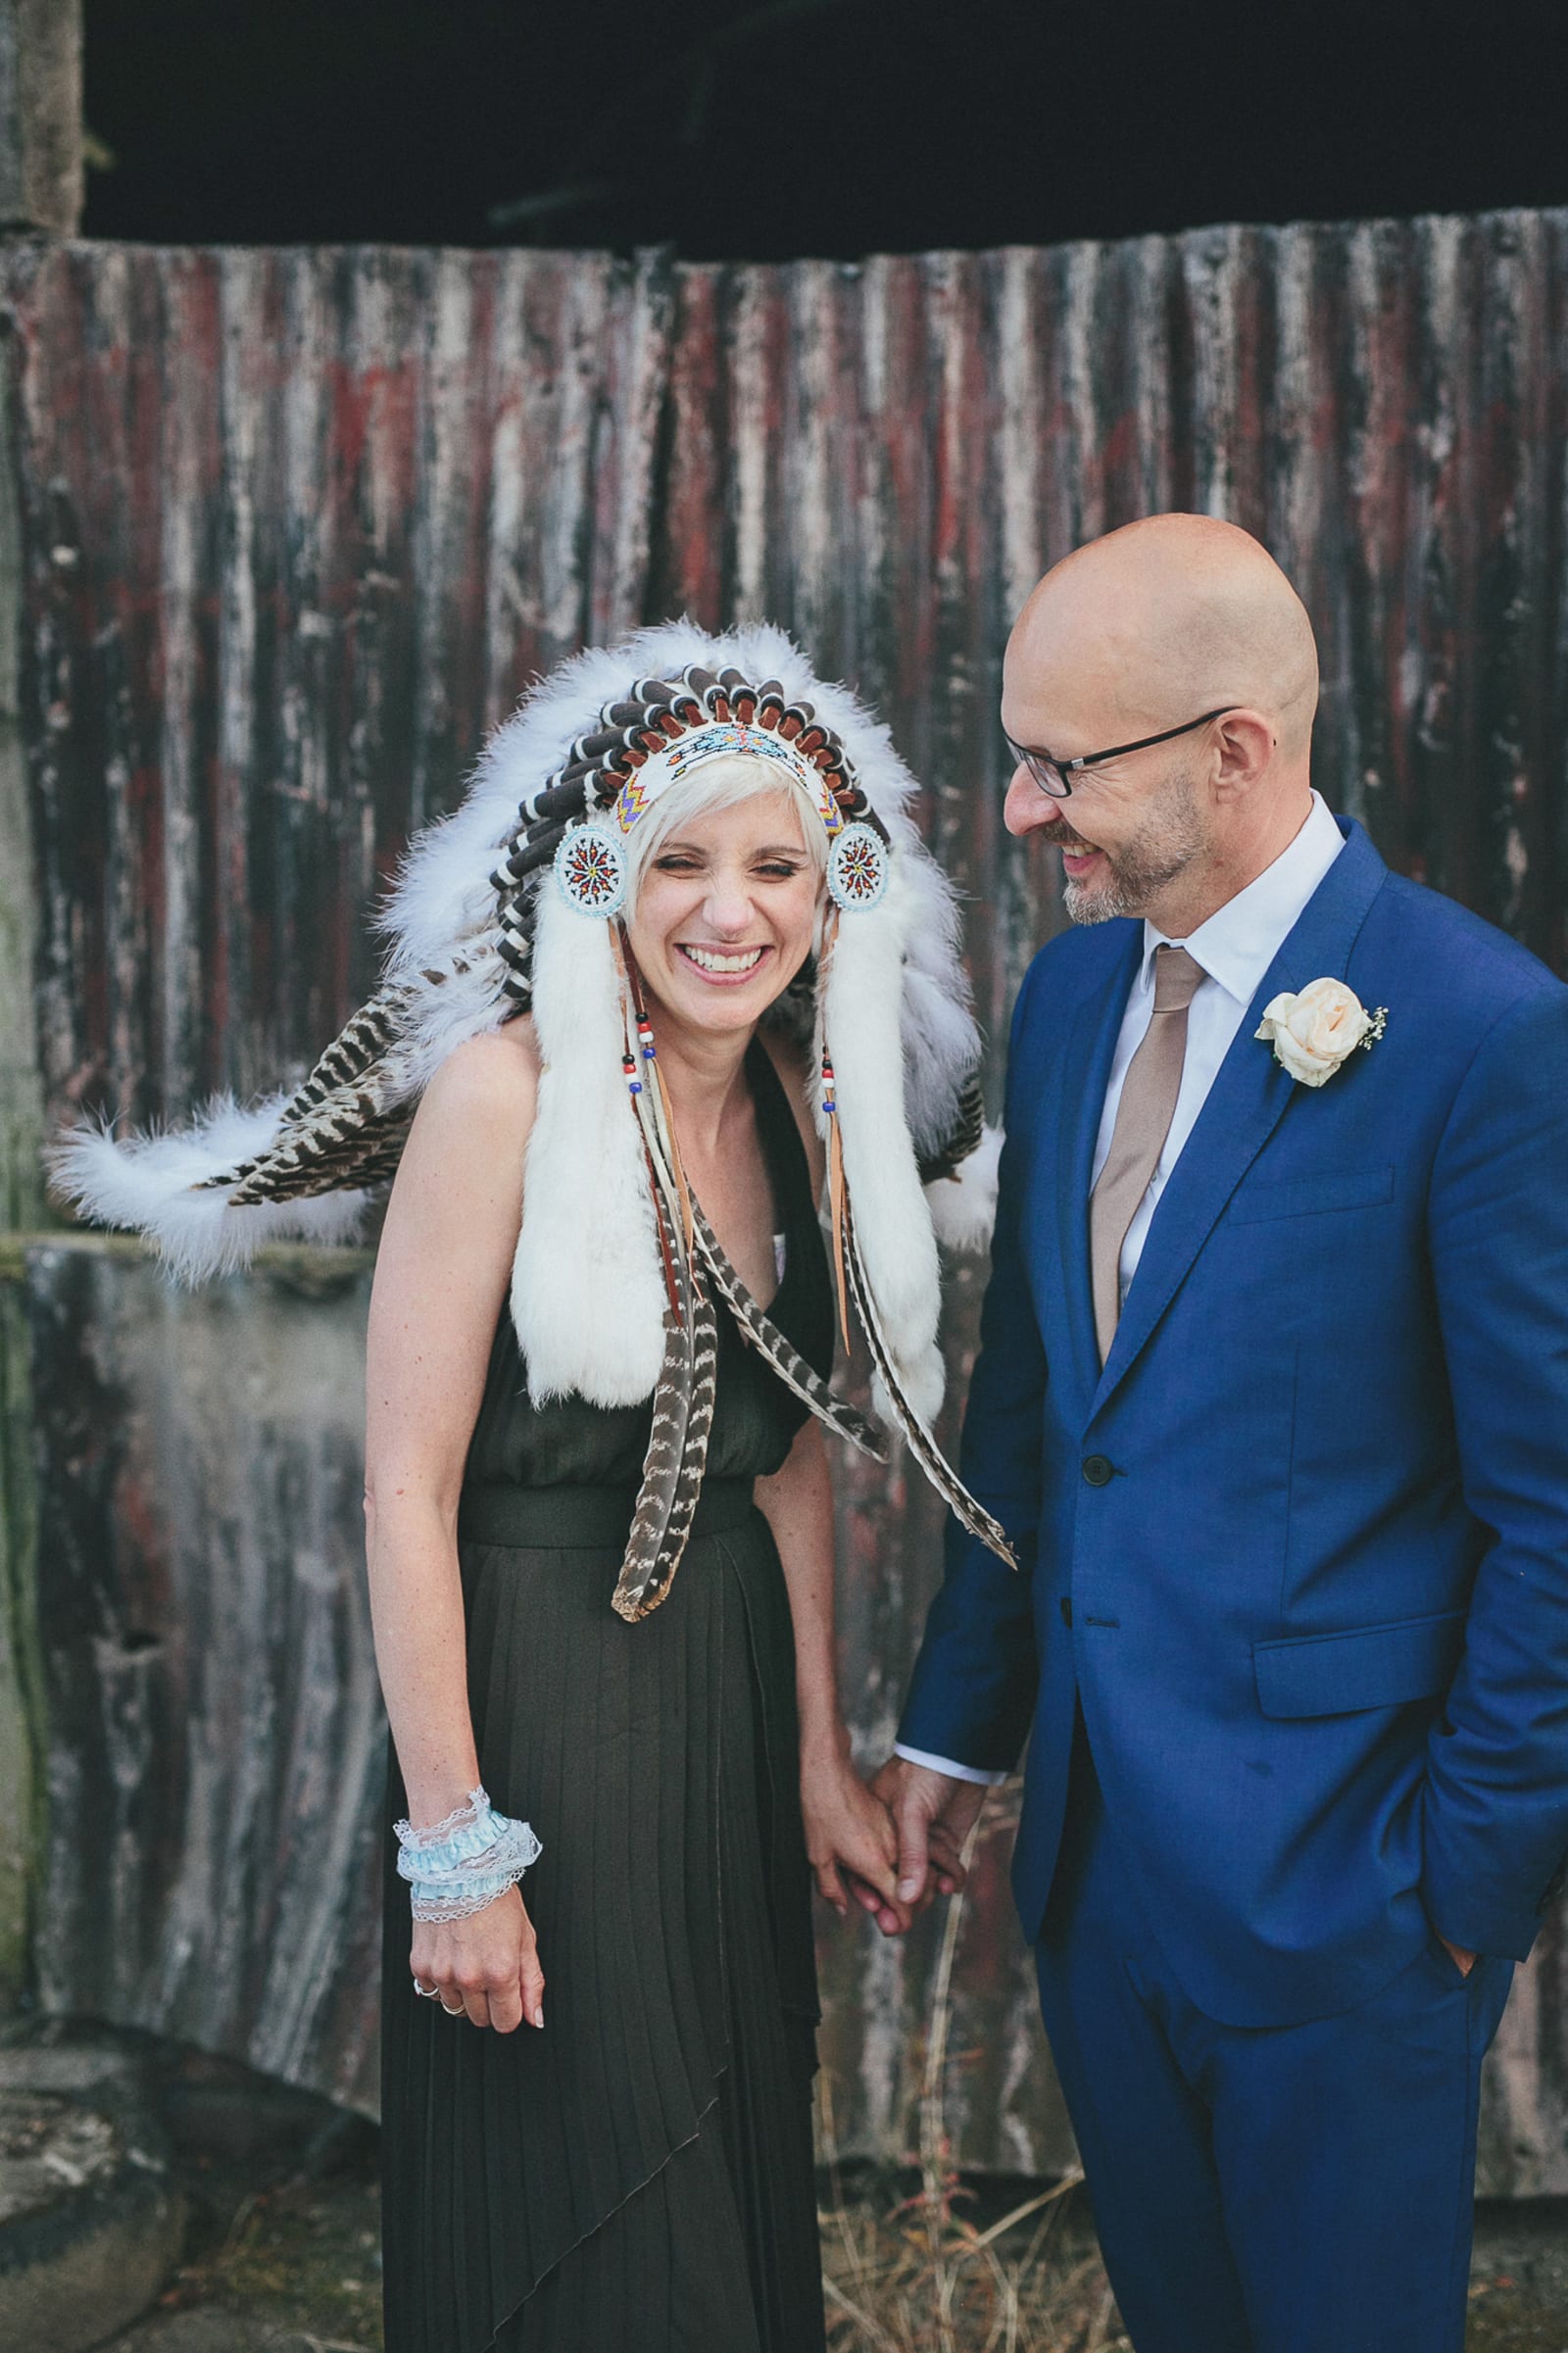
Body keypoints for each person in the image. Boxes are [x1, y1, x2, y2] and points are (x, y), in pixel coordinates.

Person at [56, 623, 1009, 2353]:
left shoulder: (803, 1100)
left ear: (833, 888)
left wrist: (811, 1754)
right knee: (588, 2216)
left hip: (716, 1699)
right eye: (683, 862)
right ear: (601, 873)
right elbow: (403, 1494)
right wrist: (456, 1851)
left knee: (719, 2183)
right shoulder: (502, 1096)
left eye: (778, 867)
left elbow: (785, 1462)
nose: (734, 912)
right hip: (536, 1708)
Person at [871, 515, 1568, 2353]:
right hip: (1100, 1887)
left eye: (1060, 767)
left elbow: (1553, 1513)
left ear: (1235, 750)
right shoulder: (1080, 994)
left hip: (1353, 1907)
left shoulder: (1486, 1035)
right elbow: (1036, 1409)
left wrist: (1455, 1893)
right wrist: (958, 1726)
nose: (1022, 811)